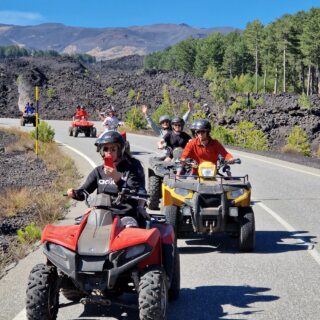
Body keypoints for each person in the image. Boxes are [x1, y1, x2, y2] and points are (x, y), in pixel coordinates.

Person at [67, 131, 148, 222]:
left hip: (124, 216)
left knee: (130, 229)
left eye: (113, 149)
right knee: (80, 227)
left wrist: (117, 178)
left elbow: (135, 192)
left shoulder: (131, 168)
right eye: (106, 149)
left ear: (120, 150)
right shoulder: (98, 171)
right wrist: (74, 193)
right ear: (102, 151)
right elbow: (84, 191)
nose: (109, 152)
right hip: (100, 215)